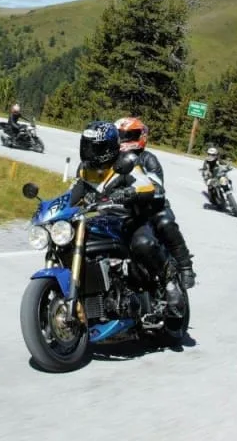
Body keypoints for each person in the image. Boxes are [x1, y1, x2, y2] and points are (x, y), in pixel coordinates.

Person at [68, 121, 185, 316]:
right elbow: (73, 193)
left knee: (143, 243)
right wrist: (52, 207)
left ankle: (170, 282)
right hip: (101, 219)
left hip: (129, 219)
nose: (88, 151)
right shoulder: (85, 169)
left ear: (108, 147)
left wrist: (130, 192)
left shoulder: (126, 162)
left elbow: (146, 185)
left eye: (93, 146)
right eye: (86, 145)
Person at [115, 116, 197, 289]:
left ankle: (185, 266)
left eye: (129, 135)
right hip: (123, 212)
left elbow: (157, 186)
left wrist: (138, 192)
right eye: (121, 135)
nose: (124, 139)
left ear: (141, 136)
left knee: (165, 222)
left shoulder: (147, 158)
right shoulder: (113, 159)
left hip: (151, 208)